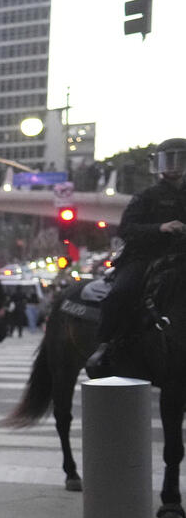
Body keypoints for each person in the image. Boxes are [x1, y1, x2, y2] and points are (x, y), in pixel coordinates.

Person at [87, 137, 186, 375]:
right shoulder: (147, 196)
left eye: (179, 160)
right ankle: (105, 346)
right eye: (168, 160)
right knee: (121, 292)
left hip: (181, 256)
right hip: (146, 257)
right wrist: (160, 228)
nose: (173, 166)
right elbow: (126, 229)